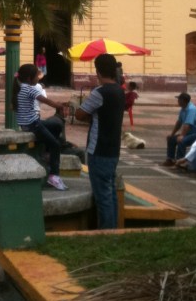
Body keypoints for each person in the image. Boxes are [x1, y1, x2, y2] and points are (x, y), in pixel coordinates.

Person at [75, 52, 124, 230]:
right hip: (113, 148)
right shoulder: (119, 90)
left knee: (102, 196)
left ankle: (106, 231)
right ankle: (113, 229)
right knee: (110, 193)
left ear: (98, 71)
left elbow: (79, 114)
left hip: (99, 148)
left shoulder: (99, 92)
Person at [11, 62, 70, 191]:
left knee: (56, 125)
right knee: (56, 144)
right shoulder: (30, 89)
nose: (39, 78)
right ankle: (54, 176)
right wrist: (60, 106)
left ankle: (45, 152)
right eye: (37, 76)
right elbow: (46, 100)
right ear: (29, 78)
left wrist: (60, 104)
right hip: (33, 125)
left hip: (27, 124)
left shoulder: (21, 88)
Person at [164, 93, 196, 165]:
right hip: (188, 133)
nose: (178, 101)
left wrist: (182, 136)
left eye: (179, 99)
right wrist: (172, 134)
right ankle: (170, 159)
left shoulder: (191, 109)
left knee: (182, 141)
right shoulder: (183, 109)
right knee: (171, 139)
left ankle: (180, 161)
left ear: (183, 101)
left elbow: (187, 125)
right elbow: (179, 122)